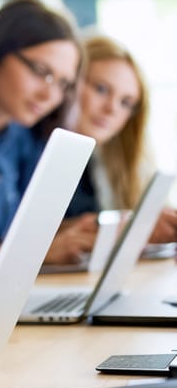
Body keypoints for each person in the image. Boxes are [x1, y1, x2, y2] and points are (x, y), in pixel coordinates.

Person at [0, 0, 91, 263]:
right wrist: (36, 253)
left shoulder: (18, 139)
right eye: (41, 71)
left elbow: (12, 235)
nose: (49, 95)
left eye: (63, 84)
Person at [66, 34, 177, 244]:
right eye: (101, 89)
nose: (111, 109)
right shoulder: (27, 152)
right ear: (69, 79)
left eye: (125, 103)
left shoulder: (111, 167)